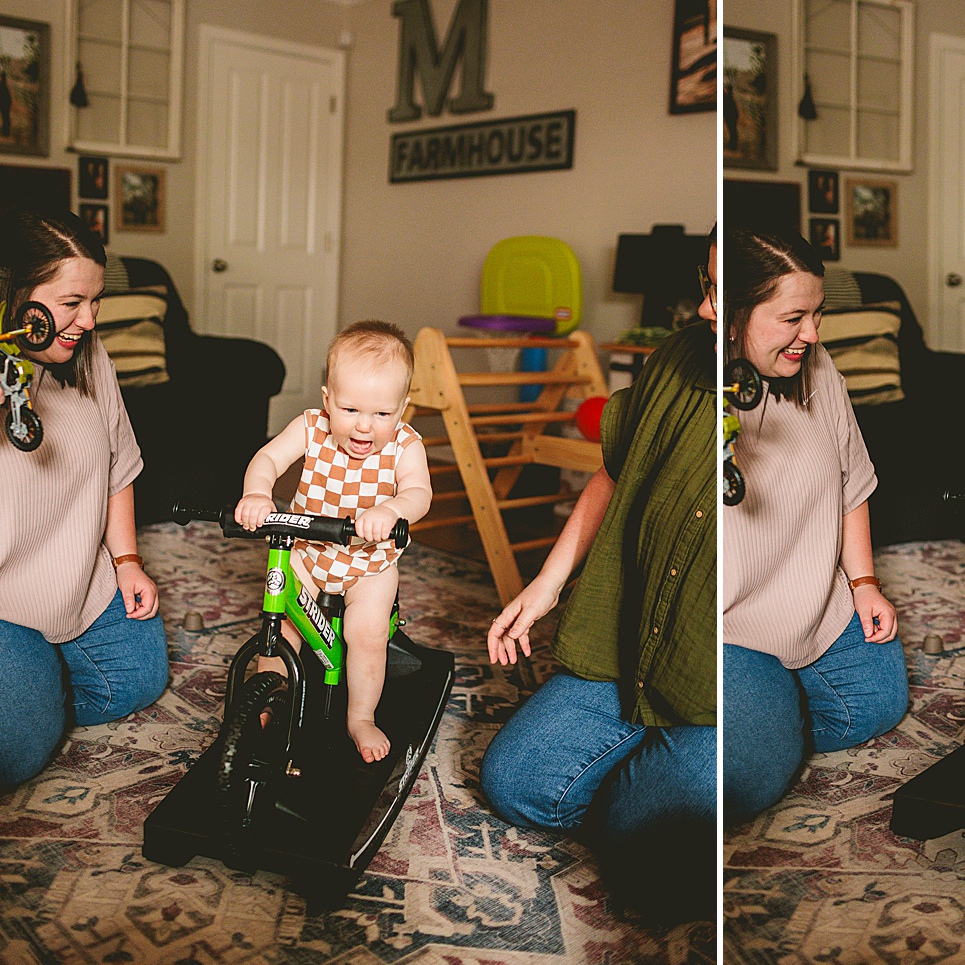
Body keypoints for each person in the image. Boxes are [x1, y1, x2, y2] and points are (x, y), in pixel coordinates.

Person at [481, 237, 717, 923]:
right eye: (705, 283)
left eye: (722, 294)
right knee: (514, 782)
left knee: (664, 847)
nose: (704, 307)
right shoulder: (675, 355)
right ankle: (651, 750)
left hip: (720, 657)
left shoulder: (799, 391)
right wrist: (547, 585)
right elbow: (616, 471)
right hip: (633, 628)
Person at [723, 228, 908, 823]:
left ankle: (763, 708)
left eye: (818, 314)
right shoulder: (694, 387)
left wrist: (864, 583)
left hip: (816, 606)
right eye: (793, 317)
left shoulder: (818, 366)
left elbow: (852, 480)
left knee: (877, 705)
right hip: (727, 629)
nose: (813, 333)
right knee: (743, 780)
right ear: (732, 313)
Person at [0, 210, 166, 792]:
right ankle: (32, 682)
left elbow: (120, 464)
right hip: (4, 599)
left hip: (79, 575)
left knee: (139, 681)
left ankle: (40, 681)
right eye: (73, 303)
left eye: (94, 302)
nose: (88, 321)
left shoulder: (90, 358)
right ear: (14, 294)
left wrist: (126, 561)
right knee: (16, 752)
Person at [234, 321, 431, 763]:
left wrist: (392, 510)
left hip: (369, 561)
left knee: (366, 634)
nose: (365, 427)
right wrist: (258, 493)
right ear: (327, 401)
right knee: (280, 619)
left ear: (402, 408)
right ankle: (269, 698)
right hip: (308, 547)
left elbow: (420, 493)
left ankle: (360, 716)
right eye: (351, 410)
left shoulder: (405, 446)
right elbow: (267, 458)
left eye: (382, 414)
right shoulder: (310, 426)